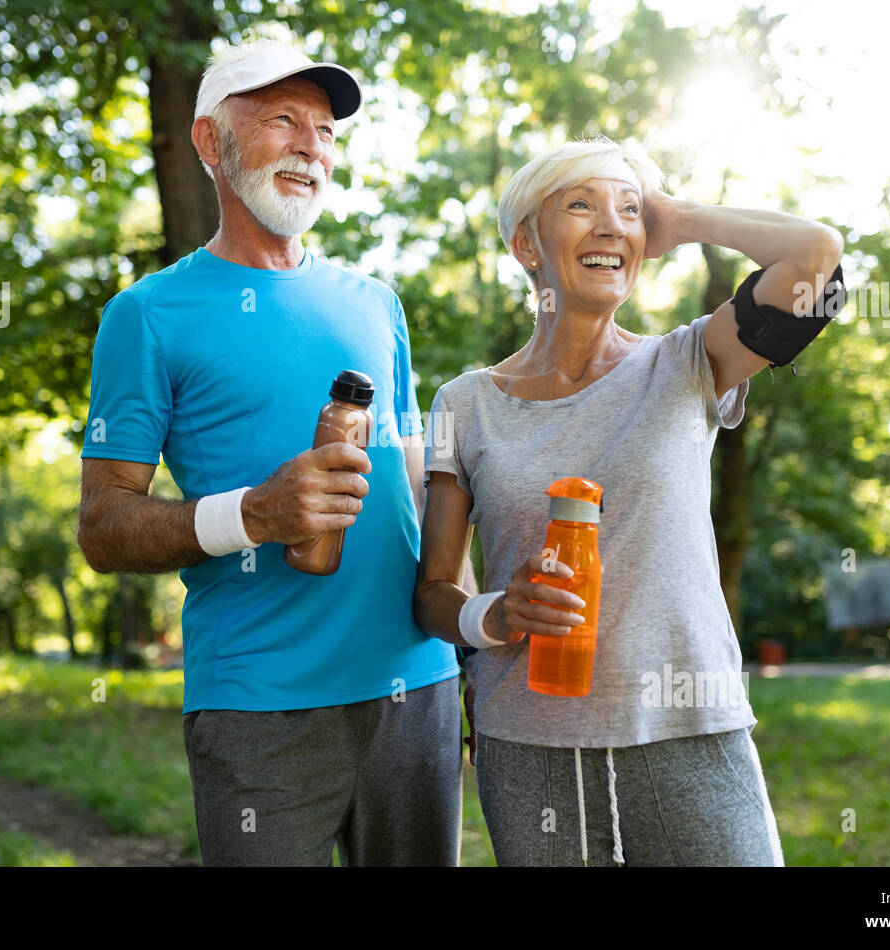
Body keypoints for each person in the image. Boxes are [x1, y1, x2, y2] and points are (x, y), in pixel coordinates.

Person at [77, 39, 462, 866]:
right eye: (282, 121)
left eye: (324, 131)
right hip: (258, 706)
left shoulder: (375, 302)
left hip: (416, 686)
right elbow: (103, 528)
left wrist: (468, 618)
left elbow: (412, 481)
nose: (310, 147)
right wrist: (253, 514)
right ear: (211, 143)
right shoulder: (146, 316)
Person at [414, 135, 845, 866]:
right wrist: (492, 613)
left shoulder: (688, 363)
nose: (611, 224)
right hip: (530, 745)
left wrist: (680, 219)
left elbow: (815, 257)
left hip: (691, 730)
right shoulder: (465, 402)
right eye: (580, 206)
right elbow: (431, 593)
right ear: (525, 243)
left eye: (628, 211)